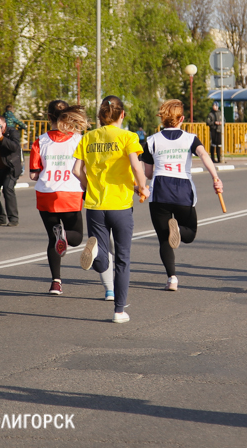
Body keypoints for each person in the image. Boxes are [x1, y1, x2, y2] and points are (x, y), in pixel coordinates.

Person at [72, 95, 149, 323]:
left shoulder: (89, 137)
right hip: (121, 206)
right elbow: (136, 165)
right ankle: (119, 312)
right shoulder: (128, 136)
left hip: (95, 205)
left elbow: (77, 170)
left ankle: (96, 254)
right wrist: (143, 187)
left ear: (100, 116)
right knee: (123, 259)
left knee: (102, 255)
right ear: (122, 115)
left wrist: (89, 187)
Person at [141, 100, 223, 291]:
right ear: (182, 119)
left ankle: (172, 279)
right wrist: (215, 177)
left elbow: (148, 173)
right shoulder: (191, 139)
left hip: (160, 190)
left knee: (164, 239)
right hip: (183, 190)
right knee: (190, 233)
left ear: (162, 119)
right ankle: (178, 229)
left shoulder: (151, 141)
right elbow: (203, 156)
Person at [29, 100, 90, 296]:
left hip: (46, 194)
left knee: (51, 239)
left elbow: (33, 174)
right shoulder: (79, 140)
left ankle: (56, 283)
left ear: (48, 118)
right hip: (70, 193)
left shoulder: (40, 140)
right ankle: (63, 236)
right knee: (77, 237)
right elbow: (84, 168)